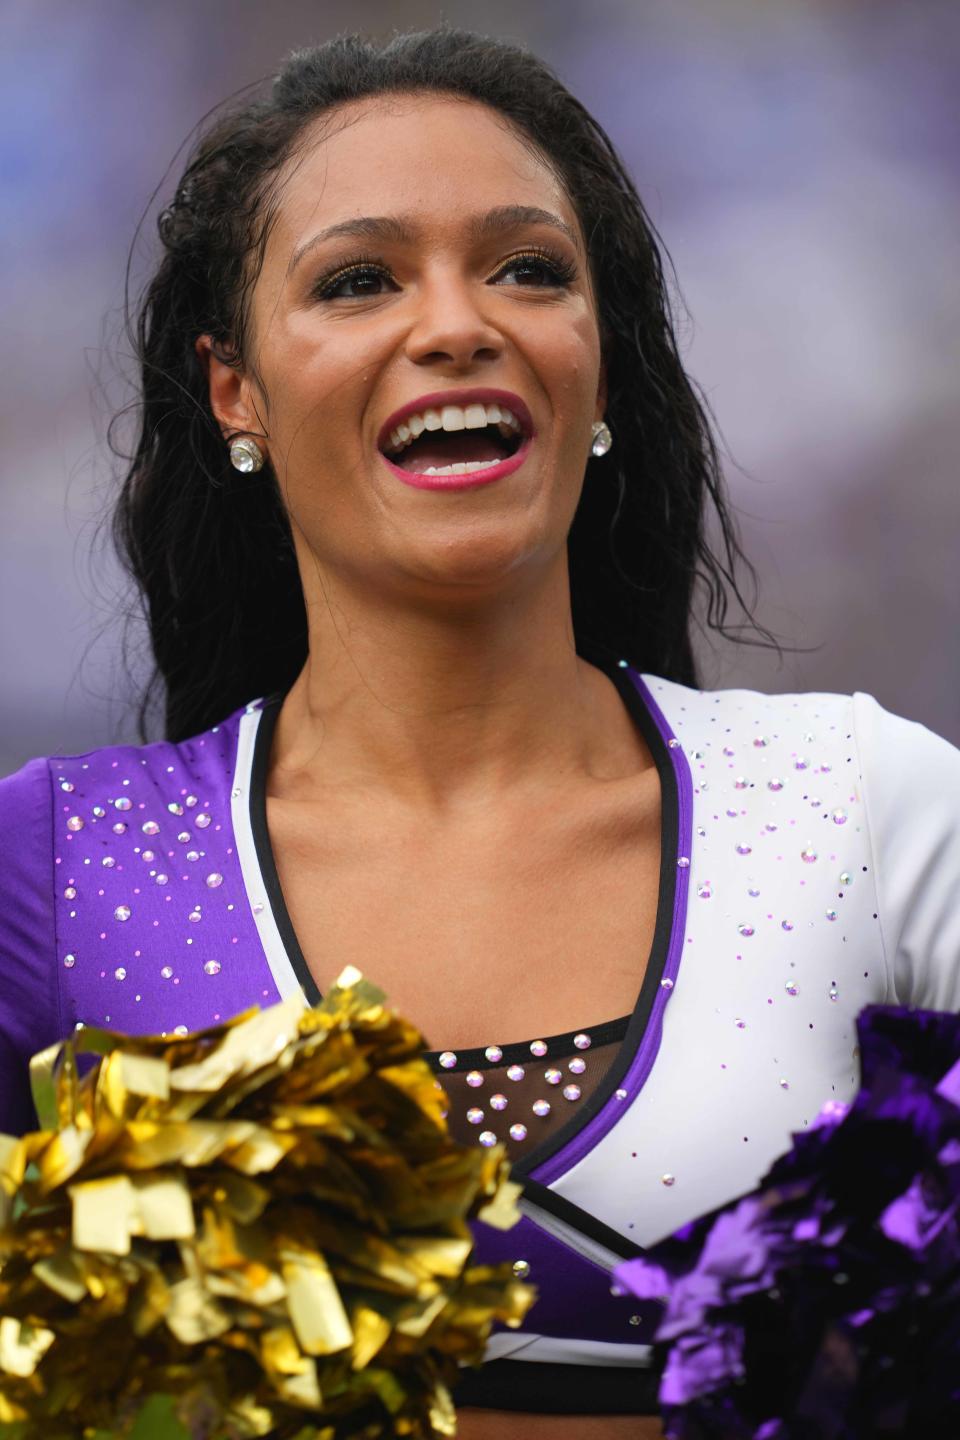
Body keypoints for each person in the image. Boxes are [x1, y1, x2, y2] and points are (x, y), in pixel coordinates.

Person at [2, 27, 959, 1440]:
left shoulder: (865, 807)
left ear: (601, 366)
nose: (457, 323)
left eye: (529, 269)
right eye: (359, 280)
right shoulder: (58, 865)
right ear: (235, 392)